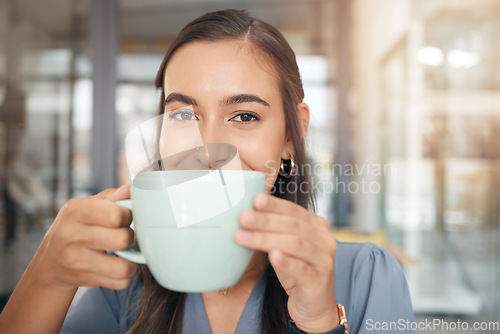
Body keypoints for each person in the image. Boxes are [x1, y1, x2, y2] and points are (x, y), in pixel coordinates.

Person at [0, 9, 414, 334]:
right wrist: (47, 277)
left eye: (245, 116)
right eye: (182, 114)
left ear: (293, 134)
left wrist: (320, 320)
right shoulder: (125, 285)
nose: (207, 151)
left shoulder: (367, 276)